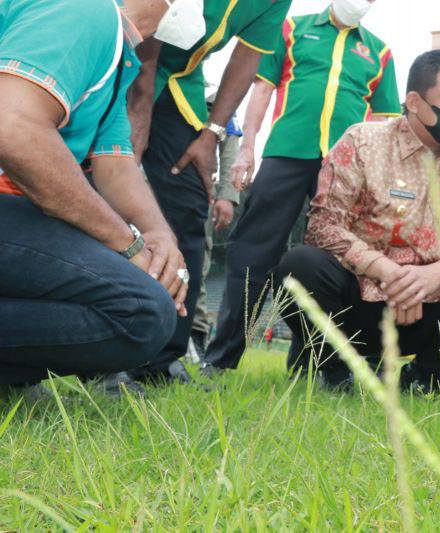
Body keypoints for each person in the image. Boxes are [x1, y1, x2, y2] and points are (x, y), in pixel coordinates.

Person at [273, 50, 440, 392]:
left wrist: (433, 275)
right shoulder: (362, 141)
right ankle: (335, 371)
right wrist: (390, 274)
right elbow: (324, 226)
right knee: (300, 265)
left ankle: (425, 379)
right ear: (414, 101)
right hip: (359, 304)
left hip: (435, 311)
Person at [0, 0, 193, 394]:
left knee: (146, 303)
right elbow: (13, 127)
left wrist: (160, 237)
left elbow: (115, 164)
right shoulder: (86, 12)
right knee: (140, 311)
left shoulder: (118, 55)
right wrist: (129, 245)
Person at [202, 0, 402, 375]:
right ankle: (221, 360)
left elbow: (385, 121)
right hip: (288, 152)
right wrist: (247, 148)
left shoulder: (380, 52)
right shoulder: (292, 29)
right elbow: (262, 89)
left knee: (331, 263)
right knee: (252, 253)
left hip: (346, 169)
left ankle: (313, 359)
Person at [119, 0, 292, 386]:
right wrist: (139, 104)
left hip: (179, 82)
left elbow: (249, 56)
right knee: (100, 178)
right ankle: (96, 356)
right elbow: (149, 16)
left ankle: (163, 359)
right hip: (122, 56)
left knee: (189, 203)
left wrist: (211, 133)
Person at [188, 104, 242, 363]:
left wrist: (228, 196)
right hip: (144, 185)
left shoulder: (216, 99)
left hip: (198, 190)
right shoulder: (148, 81)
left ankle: (196, 334)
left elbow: (230, 146)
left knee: (196, 263)